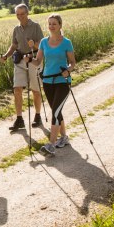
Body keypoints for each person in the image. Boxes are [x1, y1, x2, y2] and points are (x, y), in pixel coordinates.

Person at [31, 14, 76, 155]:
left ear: (60, 25)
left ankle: (51, 144)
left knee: (55, 111)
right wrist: (28, 59)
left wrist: (68, 71)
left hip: (63, 82)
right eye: (49, 23)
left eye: (54, 24)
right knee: (57, 111)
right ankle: (64, 137)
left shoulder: (66, 42)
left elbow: (73, 63)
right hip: (47, 82)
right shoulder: (44, 42)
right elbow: (37, 62)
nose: (51, 26)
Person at [0, 3, 44, 132]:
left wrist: (33, 44)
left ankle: (38, 115)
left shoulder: (35, 26)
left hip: (33, 59)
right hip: (19, 60)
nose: (20, 16)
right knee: (17, 89)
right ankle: (19, 119)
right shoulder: (16, 29)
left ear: (27, 13)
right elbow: (14, 45)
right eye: (17, 14)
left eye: (22, 14)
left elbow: (41, 45)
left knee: (35, 89)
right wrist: (6, 56)